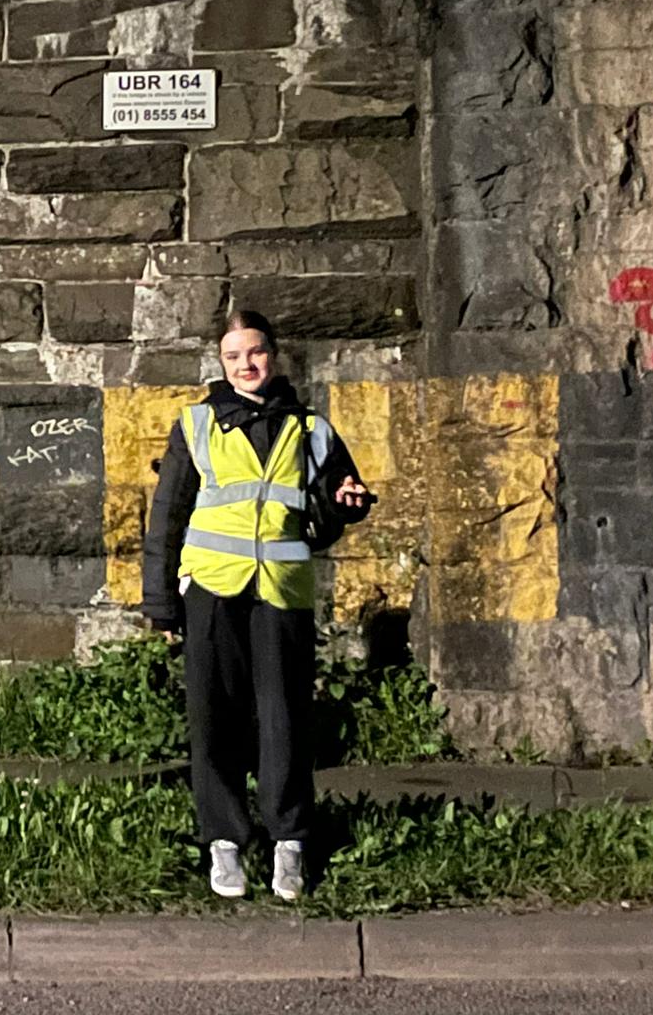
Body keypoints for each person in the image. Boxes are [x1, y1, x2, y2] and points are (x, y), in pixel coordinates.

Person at [142, 310, 373, 902]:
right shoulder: (195, 425)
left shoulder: (312, 428)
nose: (247, 365)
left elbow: (326, 515)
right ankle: (224, 841)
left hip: (282, 591)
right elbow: (167, 517)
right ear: (220, 364)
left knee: (285, 719)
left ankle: (289, 842)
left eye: (256, 352)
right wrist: (161, 603)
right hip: (213, 589)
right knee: (213, 717)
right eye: (233, 356)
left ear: (275, 354)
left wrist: (348, 503)